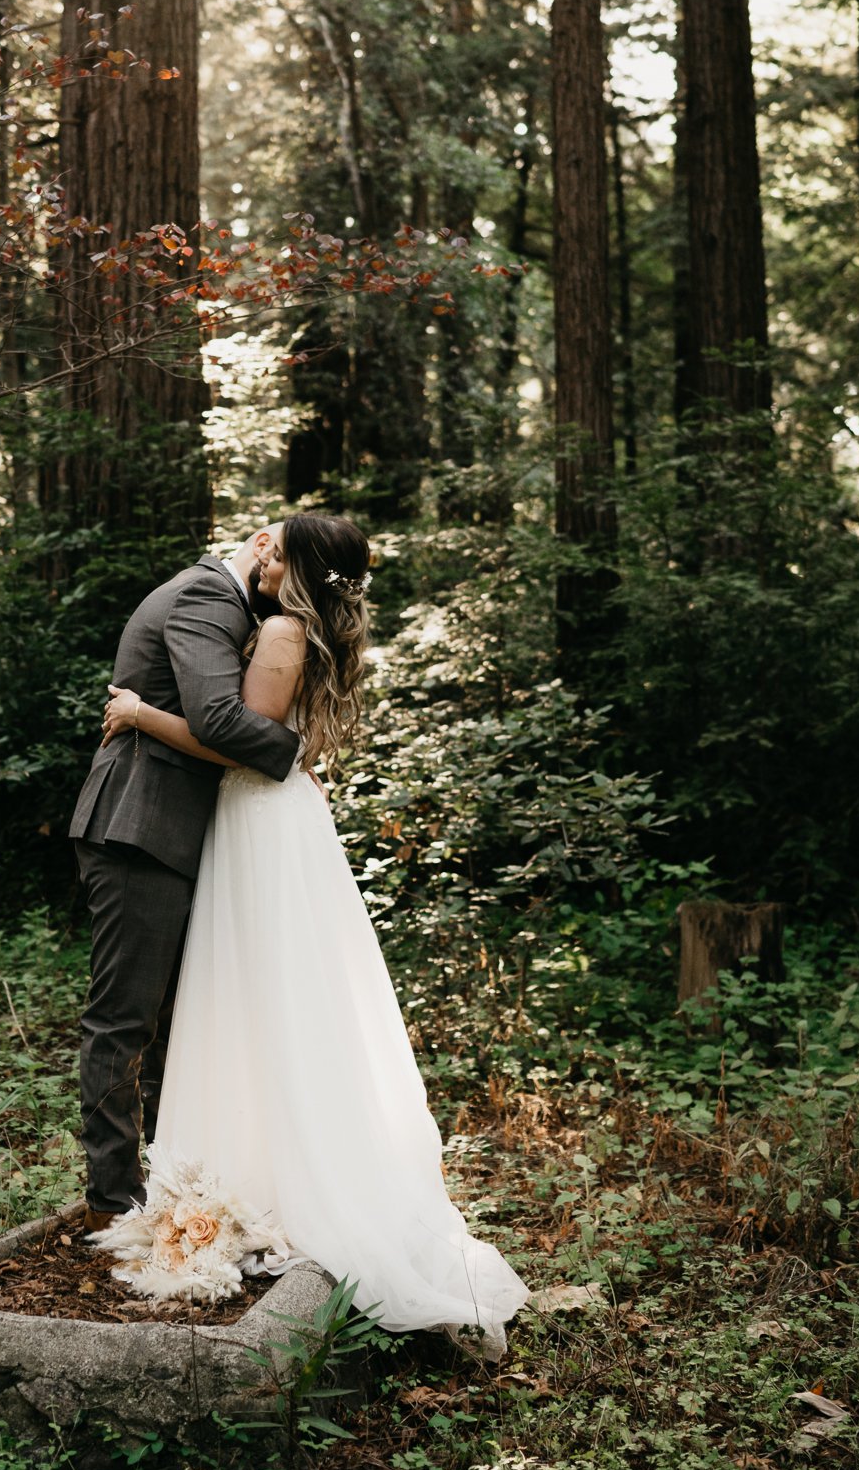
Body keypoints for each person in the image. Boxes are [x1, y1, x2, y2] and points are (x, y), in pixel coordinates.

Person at [96, 511, 529, 1354]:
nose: (260, 551)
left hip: (256, 818)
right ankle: (259, 1166)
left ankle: (258, 1178)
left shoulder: (280, 630)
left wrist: (142, 713)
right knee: (270, 994)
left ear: (289, 562)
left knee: (254, 993)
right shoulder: (296, 626)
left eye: (277, 545)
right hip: (274, 822)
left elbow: (243, 743)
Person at [69, 526, 301, 1234]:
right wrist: (296, 748)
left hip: (172, 829)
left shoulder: (240, 608)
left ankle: (174, 1182)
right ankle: (114, 1198)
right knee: (124, 1017)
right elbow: (219, 719)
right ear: (260, 544)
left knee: (175, 1020)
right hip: (140, 824)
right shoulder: (207, 593)